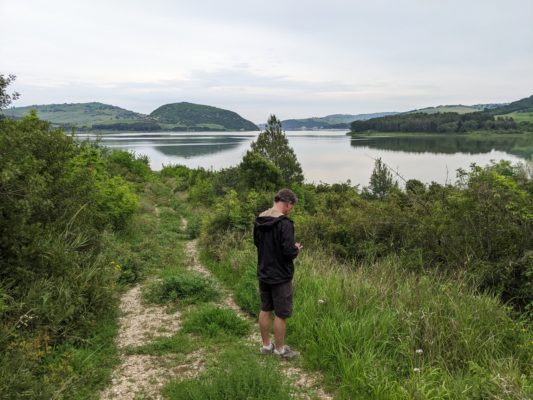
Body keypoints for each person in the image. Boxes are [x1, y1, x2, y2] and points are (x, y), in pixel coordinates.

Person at [253, 188, 303, 359]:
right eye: (291, 206)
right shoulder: (285, 224)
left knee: (265, 309)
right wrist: (296, 249)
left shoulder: (260, 219)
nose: (291, 210)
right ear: (287, 204)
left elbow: (257, 243)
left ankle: (266, 346)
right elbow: (288, 252)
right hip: (281, 275)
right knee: (281, 314)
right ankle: (280, 350)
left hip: (264, 271)